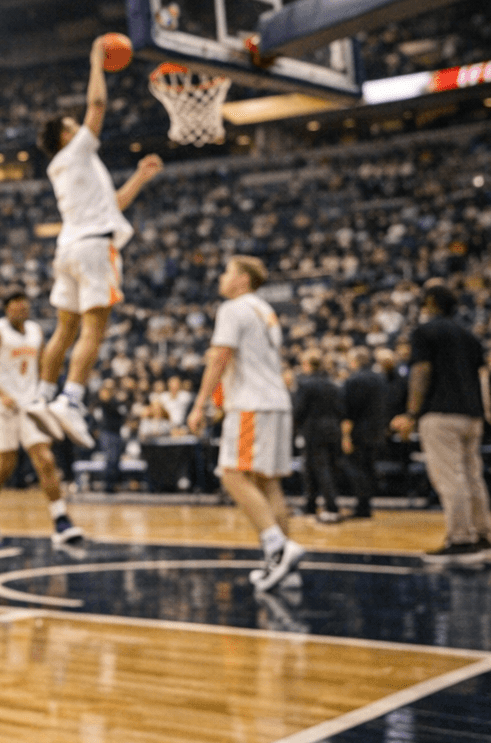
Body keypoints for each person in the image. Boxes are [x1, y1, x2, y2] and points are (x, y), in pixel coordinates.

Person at [32, 34, 164, 449]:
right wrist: (95, 61)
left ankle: (43, 395)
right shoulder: (76, 153)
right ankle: (72, 399)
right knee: (95, 328)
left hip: (70, 247)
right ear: (65, 137)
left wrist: (140, 178)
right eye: (72, 126)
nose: (80, 125)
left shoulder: (73, 168)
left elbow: (114, 205)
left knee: (64, 328)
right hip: (92, 247)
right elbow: (98, 105)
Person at [187, 256, 305, 593]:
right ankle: (284, 567)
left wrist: (200, 404)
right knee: (269, 484)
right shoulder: (265, 311)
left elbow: (220, 357)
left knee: (232, 474)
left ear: (241, 279)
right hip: (277, 402)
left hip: (251, 404)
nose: (222, 278)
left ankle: (278, 548)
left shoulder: (233, 308)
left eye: (226, 272)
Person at [0, 290, 84, 544]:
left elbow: (44, 363)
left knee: (45, 459)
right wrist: (2, 394)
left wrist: (46, 391)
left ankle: (61, 520)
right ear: (7, 309)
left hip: (30, 403)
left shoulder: (35, 331)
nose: (22, 311)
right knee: (6, 464)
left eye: (25, 307)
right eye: (17, 307)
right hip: (2, 405)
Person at [390, 284, 489, 561]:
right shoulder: (470, 337)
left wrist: (411, 414)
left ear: (431, 303)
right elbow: (482, 377)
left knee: (450, 478)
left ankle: (460, 539)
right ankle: (483, 534)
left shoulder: (425, 331)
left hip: (440, 414)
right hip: (472, 415)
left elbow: (421, 371)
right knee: (473, 476)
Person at [293, 350, 344, 523]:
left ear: (307, 364)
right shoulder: (332, 384)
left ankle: (331, 506)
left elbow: (299, 410)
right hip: (333, 429)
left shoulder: (306, 384)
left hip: (314, 430)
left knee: (318, 469)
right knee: (324, 467)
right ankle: (311, 504)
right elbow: (340, 409)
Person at [340, 346, 385, 520]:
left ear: (355, 361)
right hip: (377, 431)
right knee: (369, 468)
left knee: (356, 468)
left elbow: (348, 411)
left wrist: (345, 436)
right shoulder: (379, 379)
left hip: (359, 431)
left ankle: (362, 506)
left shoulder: (354, 380)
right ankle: (366, 504)